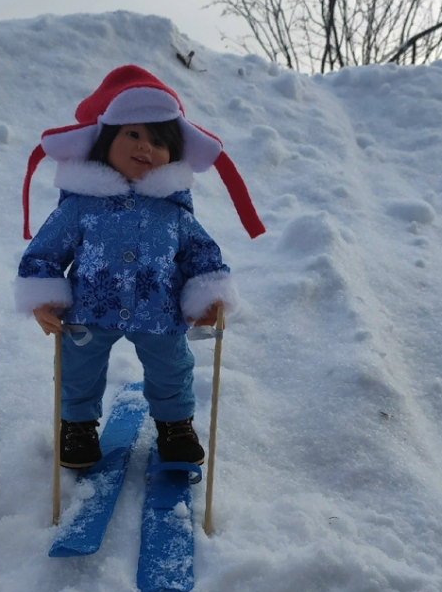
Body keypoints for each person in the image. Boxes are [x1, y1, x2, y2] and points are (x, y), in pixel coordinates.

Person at [15, 65, 265, 469]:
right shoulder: (80, 206)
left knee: (172, 368)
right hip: (89, 310)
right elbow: (46, 252)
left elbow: (202, 253)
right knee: (78, 369)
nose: (145, 148)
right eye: (133, 134)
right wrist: (43, 297)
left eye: (158, 141)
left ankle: (175, 426)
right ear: (104, 141)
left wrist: (209, 295)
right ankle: (77, 426)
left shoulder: (174, 213)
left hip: (159, 310)